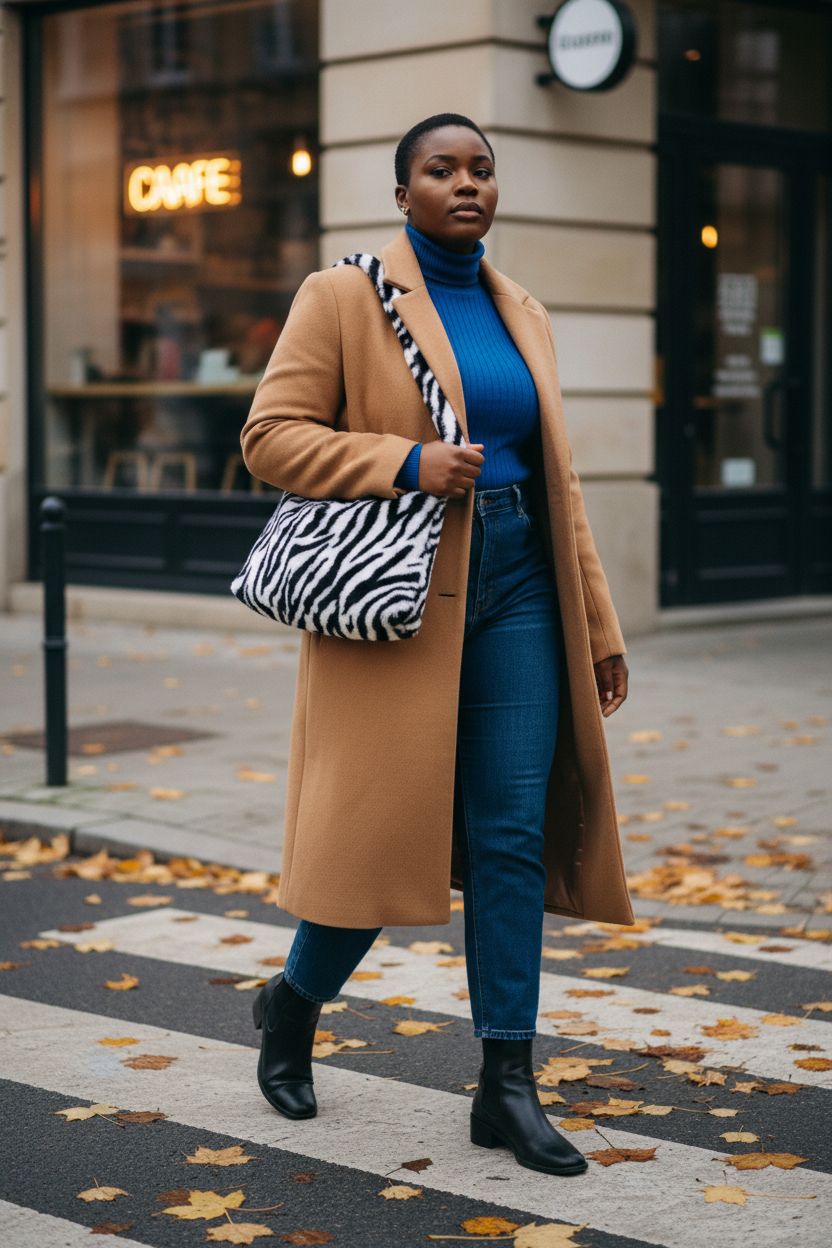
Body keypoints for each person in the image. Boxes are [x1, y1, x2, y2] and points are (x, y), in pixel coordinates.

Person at [241, 113, 632, 1178]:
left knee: (509, 835)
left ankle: (506, 1084)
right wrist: (405, 463)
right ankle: (293, 1003)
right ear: (402, 192)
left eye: (482, 170)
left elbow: (558, 486)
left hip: (523, 583)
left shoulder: (523, 310)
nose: (467, 184)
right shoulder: (341, 296)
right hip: (405, 592)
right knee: (381, 837)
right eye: (442, 169)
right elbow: (268, 438)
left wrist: (596, 625)